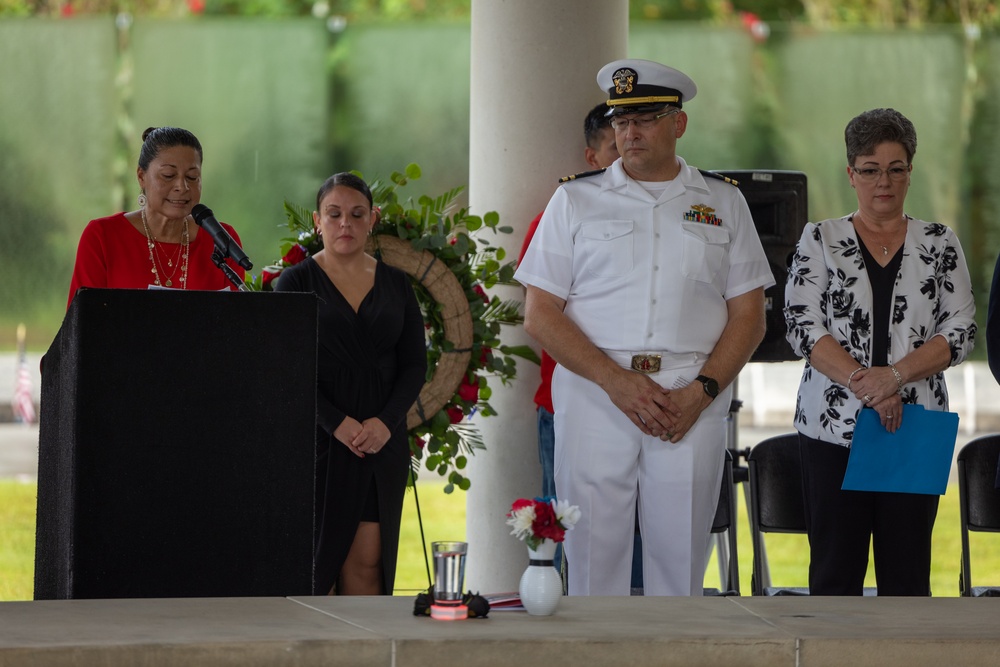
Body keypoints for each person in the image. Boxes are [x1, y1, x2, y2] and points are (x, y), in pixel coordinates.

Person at [515, 59, 774, 596]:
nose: (629, 132)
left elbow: (749, 316)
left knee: (679, 568)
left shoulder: (723, 201)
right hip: (595, 395)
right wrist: (616, 381)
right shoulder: (574, 199)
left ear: (679, 124)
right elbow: (540, 313)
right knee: (590, 562)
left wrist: (703, 392)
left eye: (646, 118)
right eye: (620, 120)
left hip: (689, 397)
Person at [784, 107, 977, 596]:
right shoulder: (819, 239)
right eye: (870, 169)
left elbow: (960, 329)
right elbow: (802, 325)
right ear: (851, 174)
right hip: (832, 430)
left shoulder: (941, 243)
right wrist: (864, 383)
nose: (883, 182)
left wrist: (893, 378)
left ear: (911, 172)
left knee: (908, 577)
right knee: (833, 576)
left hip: (916, 426)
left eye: (896, 168)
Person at [275, 172, 427, 595]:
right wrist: (335, 423)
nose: (346, 223)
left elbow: (415, 365)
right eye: (335, 214)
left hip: (380, 441)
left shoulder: (397, 284)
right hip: (319, 440)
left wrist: (385, 423)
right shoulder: (294, 283)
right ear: (317, 220)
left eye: (357, 214)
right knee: (315, 566)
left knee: (368, 565)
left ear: (373, 219)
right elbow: (286, 370)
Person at [518, 102, 621, 573]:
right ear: (591, 157)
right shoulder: (558, 218)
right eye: (615, 148)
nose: (628, 158)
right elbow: (541, 316)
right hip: (568, 404)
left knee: (638, 534)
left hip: (655, 403)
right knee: (565, 530)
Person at [67, 126, 245, 306]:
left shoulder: (221, 240)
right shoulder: (102, 237)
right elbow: (81, 325)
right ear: (141, 176)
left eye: (192, 177)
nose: (182, 187)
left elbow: (238, 323)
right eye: (168, 175)